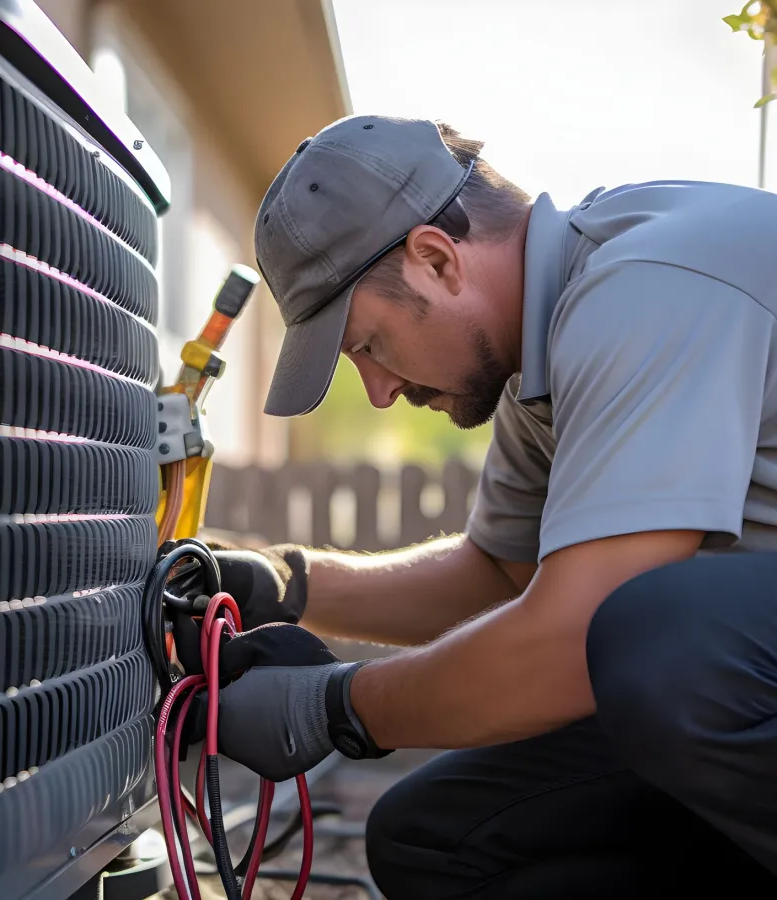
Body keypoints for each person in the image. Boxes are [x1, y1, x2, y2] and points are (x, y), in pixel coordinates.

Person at [185, 114, 777, 897]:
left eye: (367, 345)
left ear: (435, 260)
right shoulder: (549, 356)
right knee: (434, 838)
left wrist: (330, 708)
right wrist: (286, 584)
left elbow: (568, 641)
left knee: (661, 638)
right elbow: (502, 577)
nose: (380, 390)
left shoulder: (648, 286)